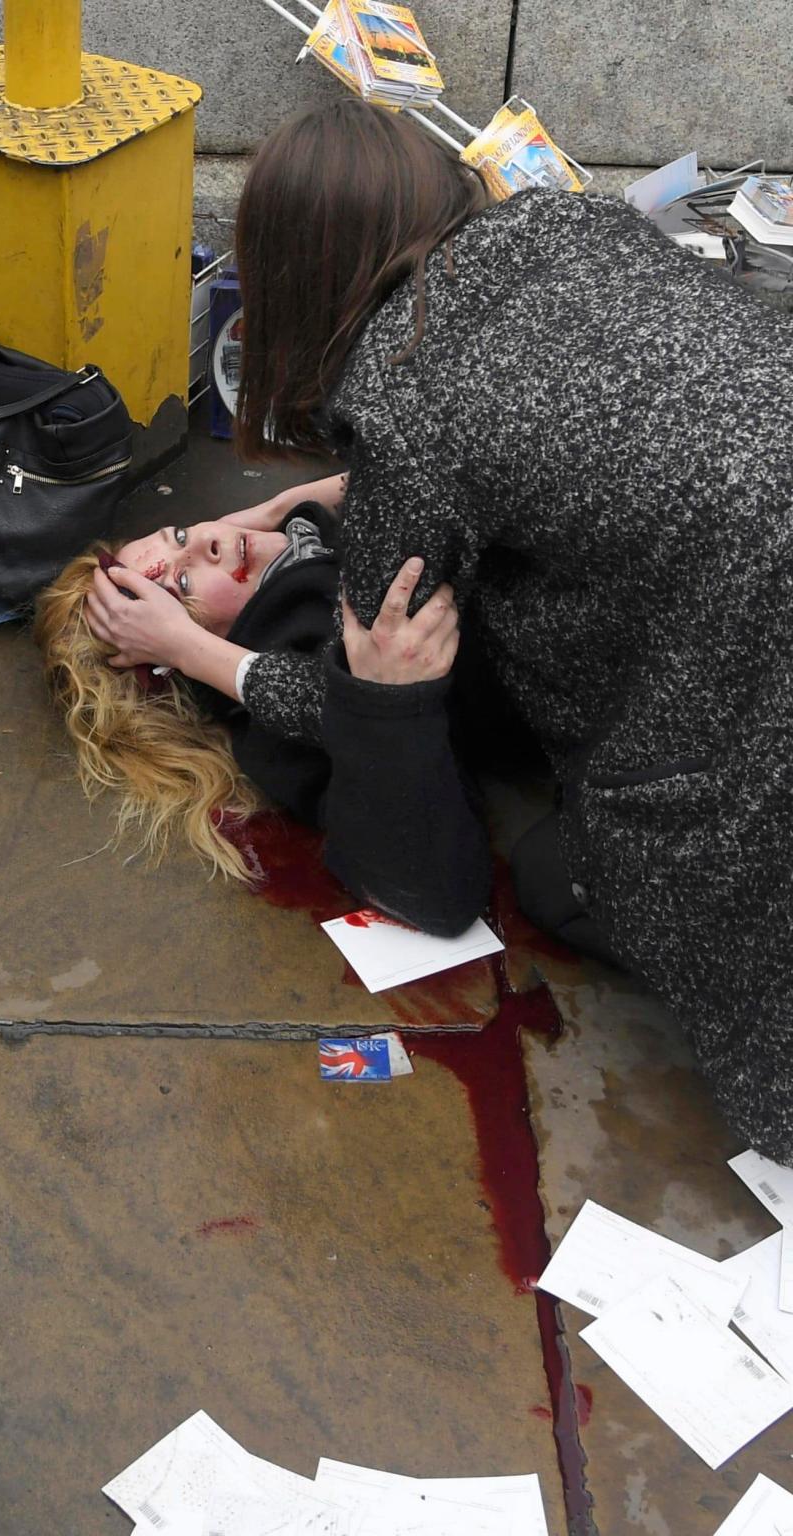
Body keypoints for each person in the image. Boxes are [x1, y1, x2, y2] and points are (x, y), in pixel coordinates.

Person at [86, 99, 793, 1161]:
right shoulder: (558, 220)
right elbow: (556, 420)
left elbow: (384, 706)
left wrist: (198, 645)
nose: (203, 548)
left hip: (756, 636)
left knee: (630, 874)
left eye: (179, 536)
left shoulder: (406, 415)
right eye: (174, 578)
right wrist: (307, 512)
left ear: (296, 275)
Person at [36, 491, 483, 929]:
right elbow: (432, 887)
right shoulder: (294, 679)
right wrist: (192, 651)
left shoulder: (300, 530)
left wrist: (273, 508)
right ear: (169, 654)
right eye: (183, 584)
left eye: (178, 535)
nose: (204, 543)